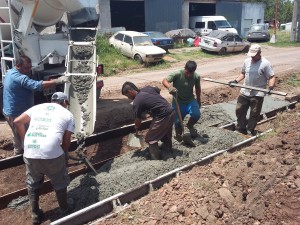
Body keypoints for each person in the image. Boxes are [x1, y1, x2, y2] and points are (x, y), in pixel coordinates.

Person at [13, 92, 75, 225]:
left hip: (30, 150)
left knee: (33, 182)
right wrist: (64, 153)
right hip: (51, 153)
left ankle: (35, 214)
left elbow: (17, 121)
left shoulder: (38, 107)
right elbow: (66, 141)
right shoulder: (68, 115)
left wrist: (26, 141)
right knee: (59, 181)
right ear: (64, 102)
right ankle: (64, 209)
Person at [2, 55, 68, 155]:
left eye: (30, 67)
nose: (29, 70)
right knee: (26, 135)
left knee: (17, 134)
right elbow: (36, 86)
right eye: (26, 68)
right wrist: (57, 81)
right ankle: (27, 154)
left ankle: (18, 152)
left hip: (12, 109)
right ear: (18, 65)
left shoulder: (10, 72)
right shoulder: (18, 77)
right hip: (16, 112)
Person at [229, 44, 275, 135]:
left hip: (257, 93)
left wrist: (270, 87)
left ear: (259, 53)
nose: (252, 58)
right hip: (245, 91)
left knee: (254, 114)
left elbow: (271, 76)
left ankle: (250, 130)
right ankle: (241, 128)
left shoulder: (265, 64)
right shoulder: (247, 61)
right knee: (239, 110)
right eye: (251, 56)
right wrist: (235, 81)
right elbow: (243, 73)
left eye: (254, 56)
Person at [121, 82, 175, 160]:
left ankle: (155, 159)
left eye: (127, 95)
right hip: (170, 111)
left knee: (150, 138)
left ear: (130, 92)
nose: (128, 98)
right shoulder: (147, 89)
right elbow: (157, 89)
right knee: (165, 134)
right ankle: (168, 150)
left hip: (162, 116)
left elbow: (138, 120)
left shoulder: (137, 102)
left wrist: (136, 127)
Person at [162, 60, 201, 141]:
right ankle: (179, 134)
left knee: (196, 114)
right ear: (185, 68)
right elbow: (164, 81)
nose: (189, 75)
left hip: (190, 100)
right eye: (187, 73)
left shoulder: (196, 76)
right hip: (178, 102)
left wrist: (198, 99)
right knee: (177, 122)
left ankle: (190, 125)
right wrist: (170, 87)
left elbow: (198, 88)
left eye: (191, 73)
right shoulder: (177, 74)